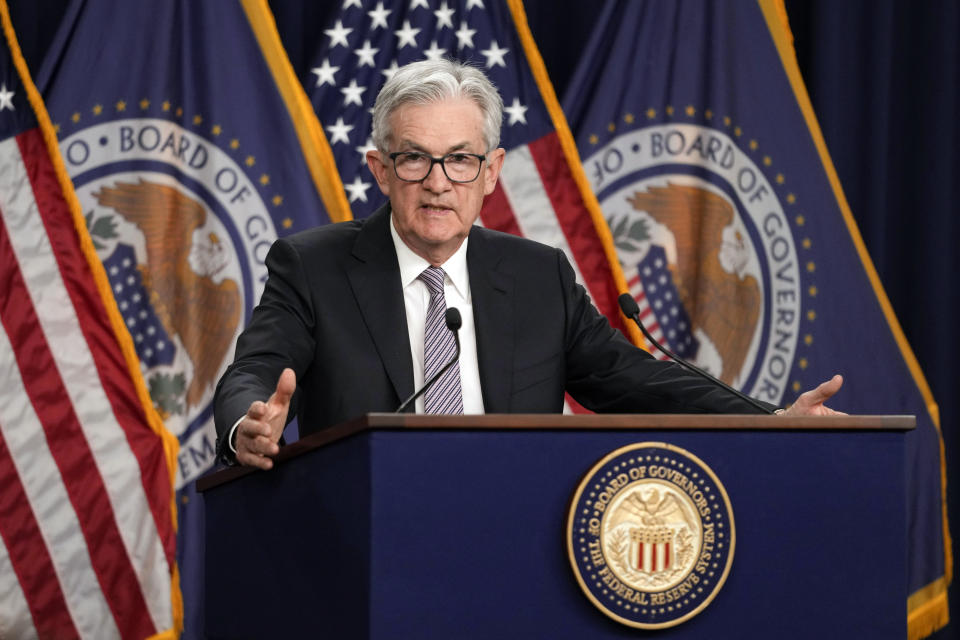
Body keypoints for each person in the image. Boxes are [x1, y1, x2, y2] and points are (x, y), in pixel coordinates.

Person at [213, 59, 843, 470]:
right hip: (370, 541)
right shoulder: (313, 266)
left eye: (460, 159)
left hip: (521, 538)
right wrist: (248, 424)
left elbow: (637, 382)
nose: (438, 183)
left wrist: (772, 420)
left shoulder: (539, 276)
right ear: (381, 170)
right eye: (415, 159)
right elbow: (259, 371)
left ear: (492, 172)